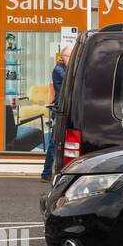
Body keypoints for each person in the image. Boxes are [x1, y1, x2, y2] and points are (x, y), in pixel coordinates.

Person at [40, 43, 72, 182]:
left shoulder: (64, 68)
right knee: (55, 142)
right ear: (63, 56)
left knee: (64, 142)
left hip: (65, 109)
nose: (72, 59)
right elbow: (71, 81)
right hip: (60, 111)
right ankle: (46, 173)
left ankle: (57, 172)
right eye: (70, 56)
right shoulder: (59, 70)